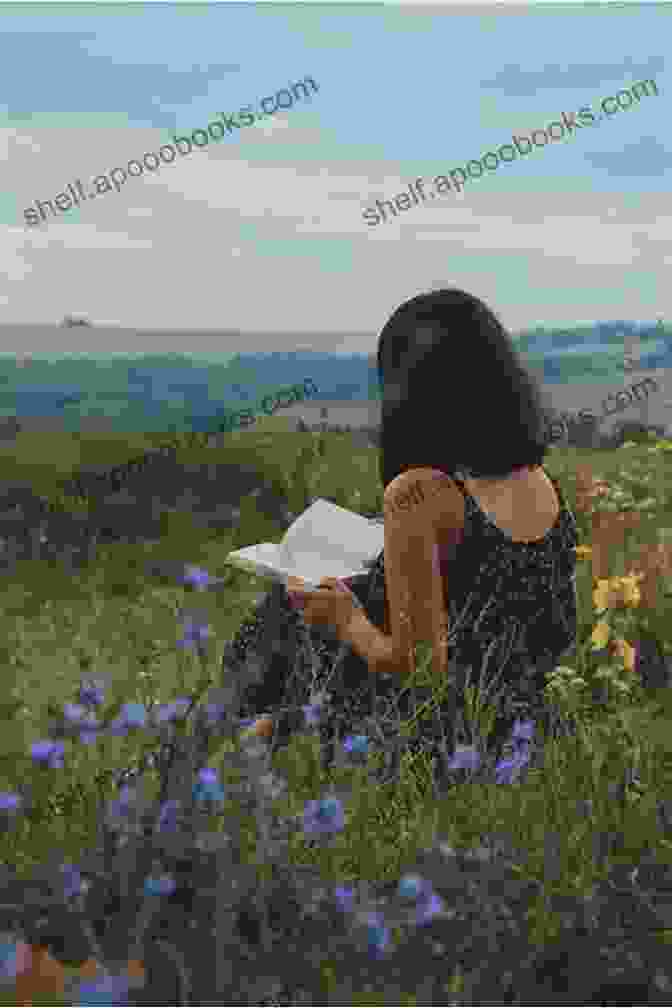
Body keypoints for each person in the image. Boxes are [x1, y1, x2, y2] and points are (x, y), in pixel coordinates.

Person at [228, 288, 578, 773]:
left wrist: (345, 619)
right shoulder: (538, 479)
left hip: (452, 734)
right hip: (532, 723)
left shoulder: (419, 492)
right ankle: (262, 734)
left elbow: (422, 671)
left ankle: (243, 736)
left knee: (299, 606)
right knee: (359, 591)